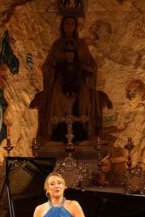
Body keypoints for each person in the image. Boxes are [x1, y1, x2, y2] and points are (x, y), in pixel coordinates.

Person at [32, 14, 108, 143]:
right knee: (57, 97)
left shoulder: (82, 44)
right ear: (62, 26)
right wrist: (53, 68)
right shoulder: (56, 45)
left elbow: (92, 64)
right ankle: (56, 131)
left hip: (78, 79)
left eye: (72, 23)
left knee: (85, 98)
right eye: (67, 23)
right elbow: (47, 65)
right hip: (61, 78)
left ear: (76, 26)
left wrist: (85, 67)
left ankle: (85, 131)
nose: (69, 26)